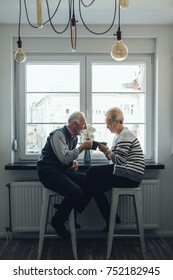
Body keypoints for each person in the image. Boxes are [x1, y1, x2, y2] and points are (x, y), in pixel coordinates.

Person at [83, 107, 145, 232]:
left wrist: (106, 150)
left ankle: (76, 206)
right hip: (127, 173)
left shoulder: (125, 135)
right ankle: (112, 219)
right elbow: (116, 160)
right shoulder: (120, 136)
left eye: (108, 124)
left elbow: (120, 161)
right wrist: (107, 152)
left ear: (117, 121)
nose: (107, 127)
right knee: (95, 187)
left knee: (92, 171)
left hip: (130, 176)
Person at [37, 111, 92, 238]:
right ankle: (58, 221)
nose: (85, 127)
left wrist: (72, 163)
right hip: (48, 172)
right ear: (74, 124)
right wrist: (82, 148)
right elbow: (64, 157)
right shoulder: (58, 134)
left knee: (90, 180)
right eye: (83, 124)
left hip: (61, 171)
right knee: (77, 192)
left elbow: (66, 157)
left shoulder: (74, 137)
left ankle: (66, 210)